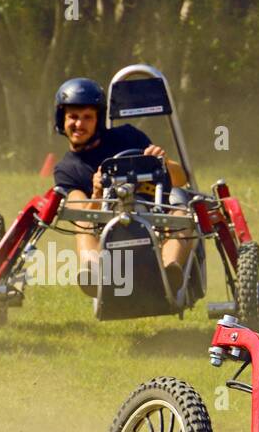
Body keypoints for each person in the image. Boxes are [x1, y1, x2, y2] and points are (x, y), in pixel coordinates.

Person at [50, 77, 192, 299]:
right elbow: (80, 212)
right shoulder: (66, 169)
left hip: (153, 214)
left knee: (183, 212)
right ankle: (93, 272)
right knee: (82, 221)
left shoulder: (127, 136)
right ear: (62, 120)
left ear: (98, 120)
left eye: (87, 117)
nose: (79, 124)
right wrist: (96, 192)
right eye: (73, 117)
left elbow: (181, 177)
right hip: (107, 228)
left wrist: (160, 163)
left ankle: (170, 271)